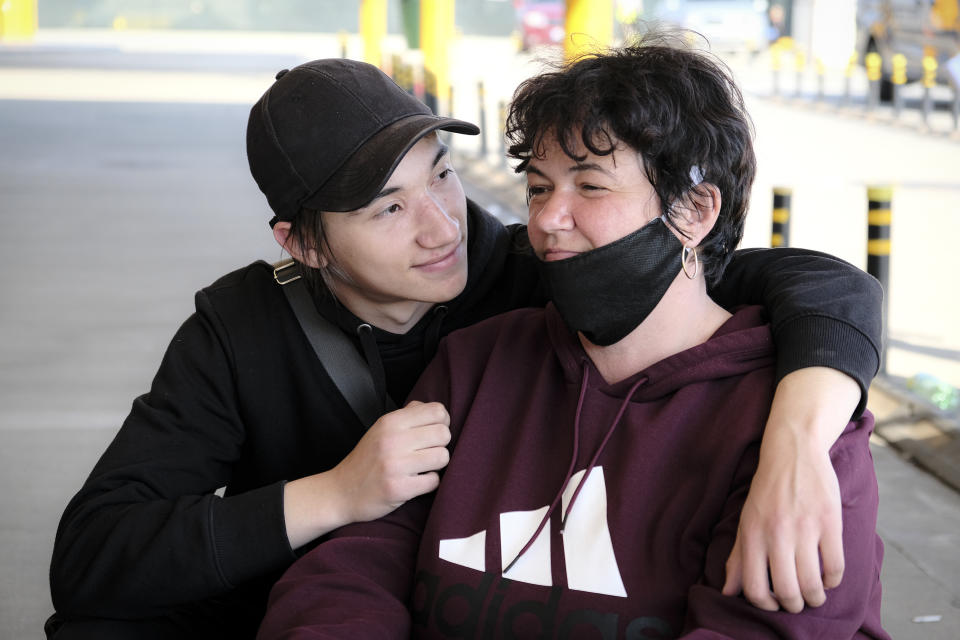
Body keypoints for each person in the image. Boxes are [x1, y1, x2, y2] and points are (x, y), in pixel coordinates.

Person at [47, 53, 881, 639]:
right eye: (388, 209)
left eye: (441, 176)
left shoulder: (544, 273)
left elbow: (812, 285)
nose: (444, 227)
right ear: (303, 245)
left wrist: (800, 438)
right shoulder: (245, 332)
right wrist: (336, 495)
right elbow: (98, 555)